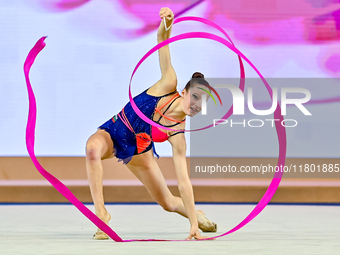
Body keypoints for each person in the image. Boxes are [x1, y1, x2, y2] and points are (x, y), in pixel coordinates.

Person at [85, 7, 217, 241]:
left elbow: (183, 182)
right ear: (184, 92)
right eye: (195, 97)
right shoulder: (168, 84)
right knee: (92, 149)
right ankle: (101, 215)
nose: (196, 105)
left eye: (202, 103)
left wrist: (193, 226)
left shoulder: (178, 134)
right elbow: (162, 42)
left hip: (139, 150)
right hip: (115, 129)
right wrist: (167, 23)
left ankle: (196, 215)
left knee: (167, 202)